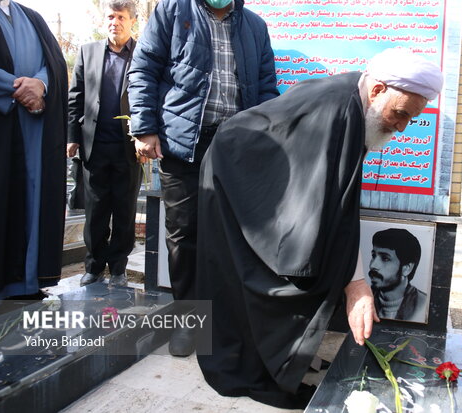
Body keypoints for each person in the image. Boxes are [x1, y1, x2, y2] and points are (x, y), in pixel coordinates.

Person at [195, 48, 443, 408]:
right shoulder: (338, 112)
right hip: (235, 176)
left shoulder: (357, 103)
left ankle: (286, 360)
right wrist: (356, 285)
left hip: (257, 177)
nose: (401, 127)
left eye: (412, 119)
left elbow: (337, 206)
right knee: (287, 271)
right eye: (400, 114)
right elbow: (326, 213)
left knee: (324, 257)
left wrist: (354, 280)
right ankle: (257, 372)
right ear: (377, 92)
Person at [127, 0, 278, 356]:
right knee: (185, 235)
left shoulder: (254, 25)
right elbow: (143, 69)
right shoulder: (172, 12)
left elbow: (268, 86)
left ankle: (224, 321)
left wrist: (265, 136)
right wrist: (145, 128)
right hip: (183, 145)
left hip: (235, 147)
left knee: (231, 237)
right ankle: (188, 321)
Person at [0, 1, 67, 299]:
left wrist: (42, 84)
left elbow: (56, 64)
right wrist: (15, 89)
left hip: (34, 129)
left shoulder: (33, 18)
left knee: (33, 200)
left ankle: (27, 282)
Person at [67, 0, 141, 288]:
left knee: (125, 210)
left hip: (129, 149)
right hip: (94, 147)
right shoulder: (88, 52)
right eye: (110, 16)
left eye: (120, 17)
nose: (115, 22)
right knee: (96, 211)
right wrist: (72, 137)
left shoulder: (143, 54)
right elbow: (76, 97)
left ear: (131, 21)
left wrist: (146, 137)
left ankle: (119, 268)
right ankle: (94, 266)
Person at [369, 228, 427, 322]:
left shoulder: (423, 305)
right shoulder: (364, 298)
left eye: (385, 258)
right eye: (373, 256)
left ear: (407, 268)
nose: (372, 265)